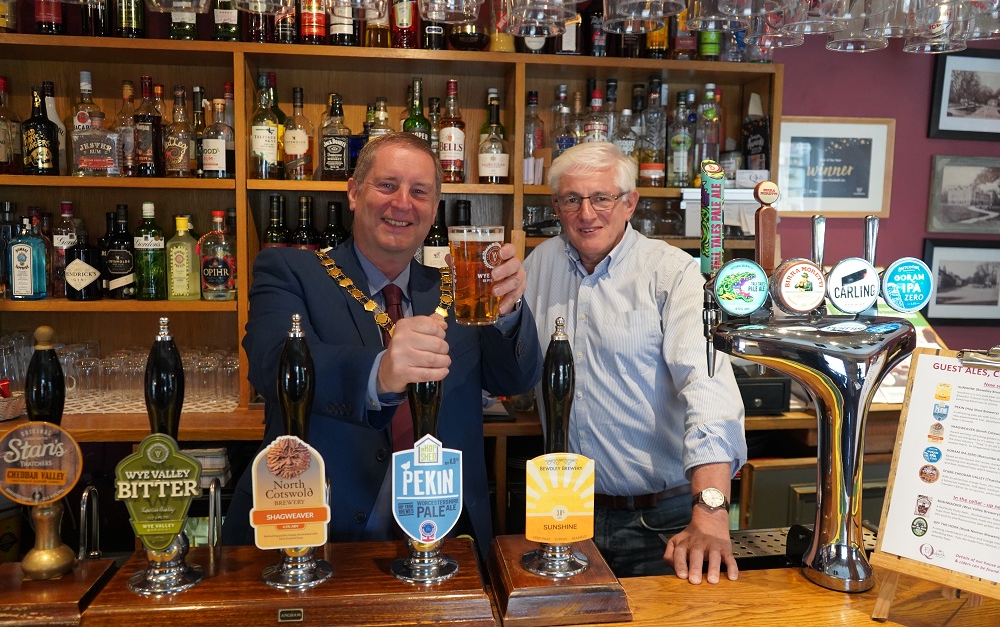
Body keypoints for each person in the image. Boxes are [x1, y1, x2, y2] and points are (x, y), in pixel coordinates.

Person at [223, 132, 542, 559]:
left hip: (446, 537)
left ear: (434, 211)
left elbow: (516, 378)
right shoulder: (290, 270)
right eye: (387, 185)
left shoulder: (458, 287)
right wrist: (379, 374)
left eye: (420, 192)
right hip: (317, 533)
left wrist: (509, 310)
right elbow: (272, 364)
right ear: (354, 192)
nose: (403, 203)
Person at [523, 142, 747, 583]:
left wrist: (712, 512)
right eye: (572, 199)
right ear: (556, 205)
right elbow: (518, 371)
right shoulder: (539, 267)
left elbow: (708, 392)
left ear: (630, 203)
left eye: (601, 198)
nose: (586, 213)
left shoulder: (673, 273)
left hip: (659, 521)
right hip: (564, 512)